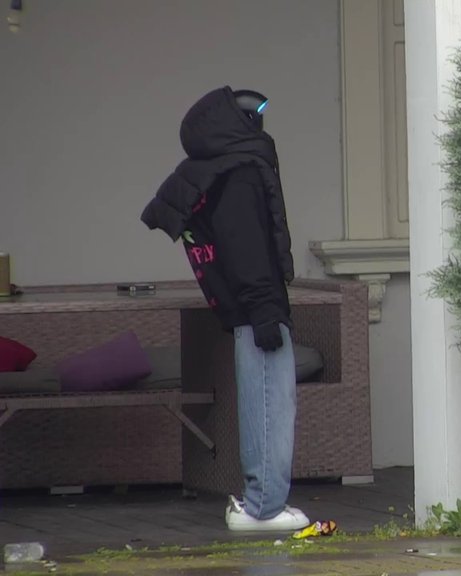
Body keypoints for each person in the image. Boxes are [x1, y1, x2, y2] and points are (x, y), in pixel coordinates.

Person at [141, 86, 309, 532]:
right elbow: (246, 247)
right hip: (259, 308)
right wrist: (265, 310)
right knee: (272, 405)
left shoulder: (214, 171)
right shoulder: (238, 174)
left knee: (263, 400)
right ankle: (263, 508)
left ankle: (260, 504)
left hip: (249, 309)